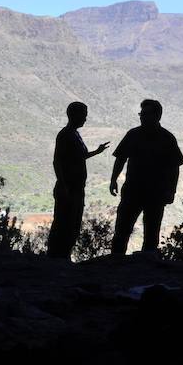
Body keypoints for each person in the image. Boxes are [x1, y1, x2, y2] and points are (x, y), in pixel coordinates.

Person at [109, 99, 183, 255]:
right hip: (133, 191)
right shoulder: (134, 134)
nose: (141, 117)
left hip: (155, 193)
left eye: (145, 114)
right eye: (141, 114)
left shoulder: (167, 138)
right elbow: (121, 158)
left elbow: (174, 168)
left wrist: (172, 191)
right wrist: (113, 179)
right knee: (122, 230)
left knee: (151, 234)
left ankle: (145, 268)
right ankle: (116, 264)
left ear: (157, 116)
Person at [45, 101, 110, 258]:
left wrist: (97, 151)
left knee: (72, 223)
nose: (85, 119)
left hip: (75, 187)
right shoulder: (66, 135)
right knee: (63, 223)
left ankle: (63, 256)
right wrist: (63, 184)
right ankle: (56, 257)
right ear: (74, 115)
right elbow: (57, 161)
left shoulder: (74, 134)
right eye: (83, 115)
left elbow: (80, 157)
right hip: (69, 188)